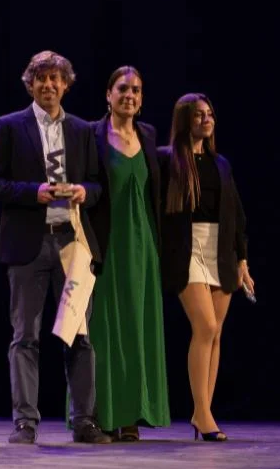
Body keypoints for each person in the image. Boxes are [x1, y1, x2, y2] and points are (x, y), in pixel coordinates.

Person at [0, 50, 110, 444]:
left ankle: (84, 421)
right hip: (28, 245)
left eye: (56, 78)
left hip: (73, 245)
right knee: (25, 336)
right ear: (30, 84)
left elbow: (97, 185)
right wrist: (31, 192)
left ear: (66, 85)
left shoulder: (83, 130)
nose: (49, 85)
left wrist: (80, 192)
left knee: (80, 335)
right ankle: (25, 422)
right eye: (41, 78)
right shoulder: (8, 126)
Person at [158, 93, 254, 442]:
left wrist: (242, 261)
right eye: (199, 114)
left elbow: (237, 215)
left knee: (216, 334)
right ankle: (201, 412)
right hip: (186, 249)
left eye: (210, 114)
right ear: (185, 120)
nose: (206, 119)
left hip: (221, 250)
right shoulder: (168, 160)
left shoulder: (221, 163)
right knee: (206, 326)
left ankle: (204, 412)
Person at [87, 66, 170, 441]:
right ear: (108, 94)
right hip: (106, 243)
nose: (130, 96)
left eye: (136, 91)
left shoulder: (149, 135)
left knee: (138, 327)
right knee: (105, 329)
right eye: (122, 89)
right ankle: (102, 414)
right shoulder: (91, 134)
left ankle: (132, 415)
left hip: (143, 246)